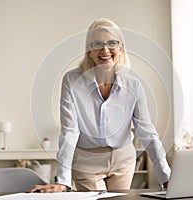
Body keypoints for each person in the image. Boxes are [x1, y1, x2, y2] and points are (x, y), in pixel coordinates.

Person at [29, 18, 170, 193]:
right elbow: (70, 131)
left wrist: (166, 177)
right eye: (97, 44)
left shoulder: (134, 85)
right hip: (86, 160)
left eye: (112, 43)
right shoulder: (72, 81)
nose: (105, 50)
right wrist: (63, 181)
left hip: (123, 159)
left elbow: (147, 133)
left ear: (121, 47)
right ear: (89, 50)